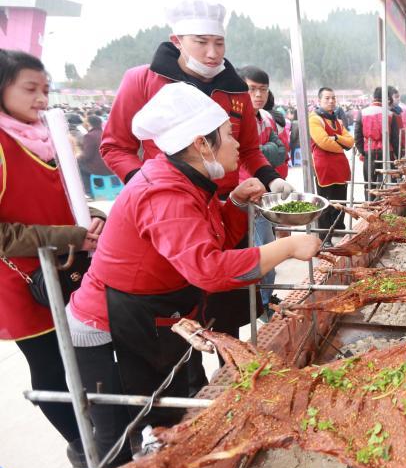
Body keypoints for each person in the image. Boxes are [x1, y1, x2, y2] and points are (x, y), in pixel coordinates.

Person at [68, 83, 321, 433]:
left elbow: (212, 239)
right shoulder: (164, 191)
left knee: (166, 415)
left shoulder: (188, 179)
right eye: (229, 135)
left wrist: (234, 203)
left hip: (155, 314)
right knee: (124, 432)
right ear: (202, 143)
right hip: (111, 327)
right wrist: (287, 248)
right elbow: (208, 269)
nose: (237, 144)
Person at [100, 0, 294, 346]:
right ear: (176, 40)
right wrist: (149, 191)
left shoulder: (236, 89)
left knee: (228, 308)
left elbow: (249, 149)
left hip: (226, 210)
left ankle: (232, 362)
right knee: (178, 303)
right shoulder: (142, 80)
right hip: (168, 214)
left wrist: (272, 179)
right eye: (201, 42)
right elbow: (115, 146)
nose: (212, 53)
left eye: (219, 43)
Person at [0, 50, 111, 468]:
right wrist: (70, 236)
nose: (42, 99)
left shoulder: (48, 137)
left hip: (71, 269)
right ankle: (82, 448)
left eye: (46, 89)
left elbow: (68, 198)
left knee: (87, 357)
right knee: (49, 367)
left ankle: (108, 434)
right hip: (21, 283)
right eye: (30, 89)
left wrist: (93, 218)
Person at [239, 66, 287, 315]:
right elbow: (242, 155)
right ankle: (261, 304)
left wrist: (259, 151)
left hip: (266, 194)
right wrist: (259, 151)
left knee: (268, 247)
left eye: (263, 90)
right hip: (245, 196)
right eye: (252, 89)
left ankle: (267, 299)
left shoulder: (267, 118)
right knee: (258, 252)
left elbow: (281, 151)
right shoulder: (233, 121)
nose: (258, 95)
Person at [309, 87, 354, 244]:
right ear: (319, 100)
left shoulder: (337, 121)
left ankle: (338, 228)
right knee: (325, 202)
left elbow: (351, 141)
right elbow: (323, 142)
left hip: (340, 167)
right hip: (324, 167)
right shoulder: (314, 119)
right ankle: (325, 237)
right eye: (327, 98)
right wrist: (341, 146)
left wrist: (335, 137)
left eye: (333, 98)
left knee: (340, 200)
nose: (331, 101)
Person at [356, 87, 388, 199]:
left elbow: (357, 135)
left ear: (374, 97)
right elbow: (394, 138)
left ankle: (369, 204)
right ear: (386, 98)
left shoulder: (362, 112)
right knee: (385, 182)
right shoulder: (389, 113)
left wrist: (362, 151)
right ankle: (383, 204)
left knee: (369, 183)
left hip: (369, 150)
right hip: (386, 151)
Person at [78, 114, 112, 196]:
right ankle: (100, 185)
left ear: (88, 124)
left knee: (80, 166)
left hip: (100, 169)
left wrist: (78, 157)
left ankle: (88, 192)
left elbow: (87, 156)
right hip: (112, 167)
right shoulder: (107, 133)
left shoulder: (89, 136)